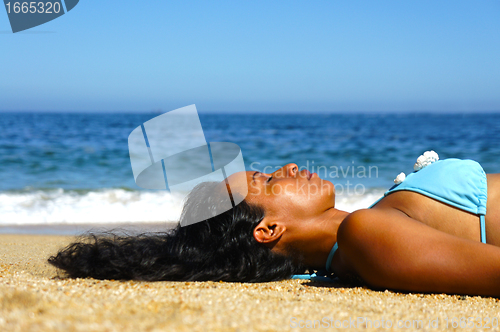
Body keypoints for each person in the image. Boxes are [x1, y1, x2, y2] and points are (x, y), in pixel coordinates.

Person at [49, 157, 500, 297]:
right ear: (267, 230)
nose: (287, 166)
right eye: (267, 181)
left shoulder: (371, 225)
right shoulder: (365, 235)